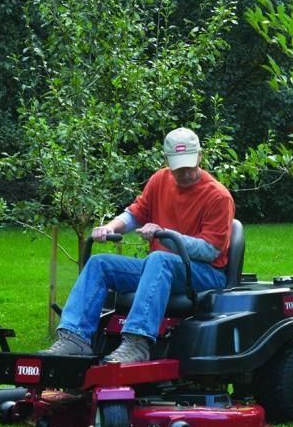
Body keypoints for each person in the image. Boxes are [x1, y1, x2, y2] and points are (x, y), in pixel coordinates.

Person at [42, 127, 235, 363]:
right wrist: (110, 227)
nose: (185, 173)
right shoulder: (159, 180)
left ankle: (137, 342)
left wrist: (164, 236)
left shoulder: (218, 196)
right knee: (101, 263)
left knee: (159, 259)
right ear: (167, 160)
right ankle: (75, 338)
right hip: (163, 268)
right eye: (179, 168)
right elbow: (135, 214)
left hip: (206, 273)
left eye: (189, 166)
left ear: (200, 157)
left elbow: (209, 250)